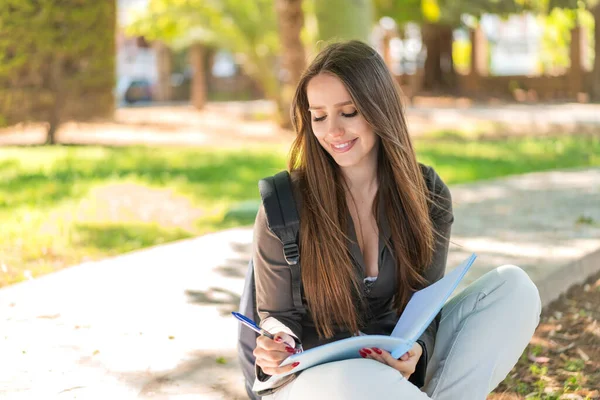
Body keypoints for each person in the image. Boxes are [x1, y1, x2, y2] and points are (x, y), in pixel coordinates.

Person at [251, 40, 541, 400]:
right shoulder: (282, 203)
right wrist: (276, 342)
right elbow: (277, 315)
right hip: (316, 382)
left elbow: (424, 306)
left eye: (349, 112)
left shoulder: (426, 193)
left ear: (379, 109)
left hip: (392, 372)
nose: (333, 131)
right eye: (319, 116)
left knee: (514, 288)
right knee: (355, 380)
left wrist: (416, 351)